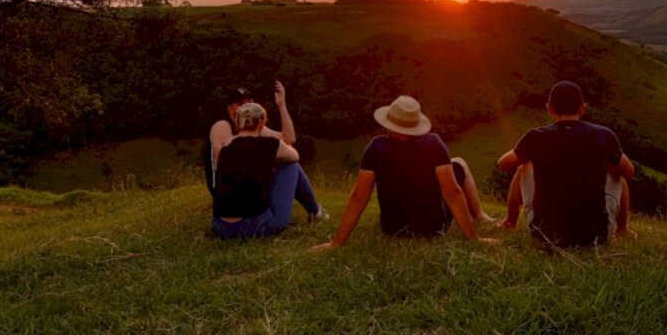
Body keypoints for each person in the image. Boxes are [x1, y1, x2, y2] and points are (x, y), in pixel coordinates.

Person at [309, 95, 494, 250]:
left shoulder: (376, 148)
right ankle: (478, 215)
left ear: (389, 124)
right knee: (459, 163)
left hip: (391, 228)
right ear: (415, 125)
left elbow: (358, 197)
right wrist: (473, 239)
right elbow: (453, 193)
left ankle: (478, 216)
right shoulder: (433, 144)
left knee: (454, 164)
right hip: (432, 229)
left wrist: (336, 242)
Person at [496, 81, 635, 248]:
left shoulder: (536, 136)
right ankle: (623, 229)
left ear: (550, 109)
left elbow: (503, 163)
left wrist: (528, 153)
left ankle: (510, 223)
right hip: (595, 236)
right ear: (582, 108)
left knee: (523, 167)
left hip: (544, 234)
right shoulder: (603, 135)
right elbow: (629, 171)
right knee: (616, 171)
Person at [212, 102, 323, 239]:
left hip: (220, 227)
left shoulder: (225, 148)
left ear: (238, 123)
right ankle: (316, 212)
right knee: (291, 165)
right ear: (262, 122)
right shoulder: (270, 144)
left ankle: (316, 212)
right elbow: (294, 156)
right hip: (253, 228)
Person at [205, 81, 297, 195]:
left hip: (245, 182)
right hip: (225, 189)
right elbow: (227, 163)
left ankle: (314, 209)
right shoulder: (222, 126)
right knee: (289, 164)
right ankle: (314, 209)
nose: (244, 108)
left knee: (290, 164)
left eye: (248, 104)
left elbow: (289, 139)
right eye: (240, 104)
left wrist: (281, 105)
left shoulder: (250, 125)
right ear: (229, 108)